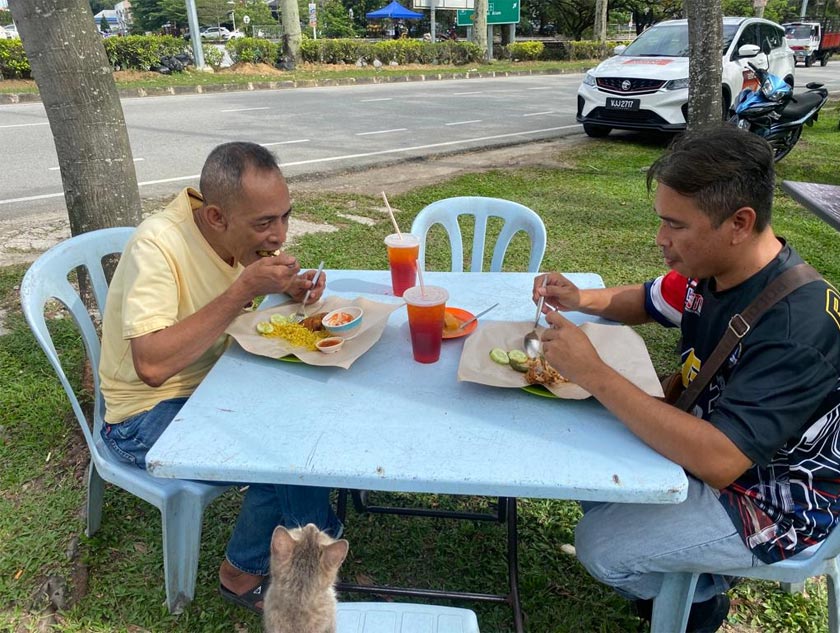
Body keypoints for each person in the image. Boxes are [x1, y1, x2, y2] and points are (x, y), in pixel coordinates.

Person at [533, 124, 840, 632]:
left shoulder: (794, 327)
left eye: (675, 225)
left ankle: (699, 602)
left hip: (775, 502)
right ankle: (683, 572)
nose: (660, 240)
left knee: (599, 546)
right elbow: (649, 300)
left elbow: (720, 461)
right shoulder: (716, 269)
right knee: (587, 460)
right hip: (717, 448)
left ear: (739, 222)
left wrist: (594, 373)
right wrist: (581, 299)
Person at [98, 142, 342, 613]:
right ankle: (277, 565)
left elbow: (237, 280)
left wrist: (286, 286)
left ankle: (282, 551)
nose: (279, 235)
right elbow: (150, 366)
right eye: (264, 224)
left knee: (308, 411)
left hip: (214, 385)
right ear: (215, 217)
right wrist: (243, 290)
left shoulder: (232, 234)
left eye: (285, 217)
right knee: (286, 446)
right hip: (141, 417)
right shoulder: (158, 244)